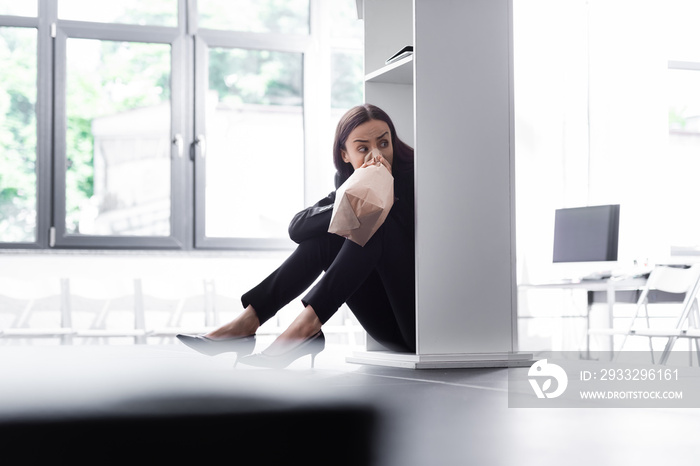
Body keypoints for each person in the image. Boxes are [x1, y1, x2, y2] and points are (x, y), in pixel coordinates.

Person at [177, 104, 415, 368]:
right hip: (386, 326)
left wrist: (380, 200)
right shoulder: (351, 183)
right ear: (345, 155)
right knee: (329, 238)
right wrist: (352, 204)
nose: (376, 155)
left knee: (374, 222)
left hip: (419, 328)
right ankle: (249, 321)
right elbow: (298, 228)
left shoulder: (415, 175)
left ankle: (305, 327)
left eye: (384, 143)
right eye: (362, 148)